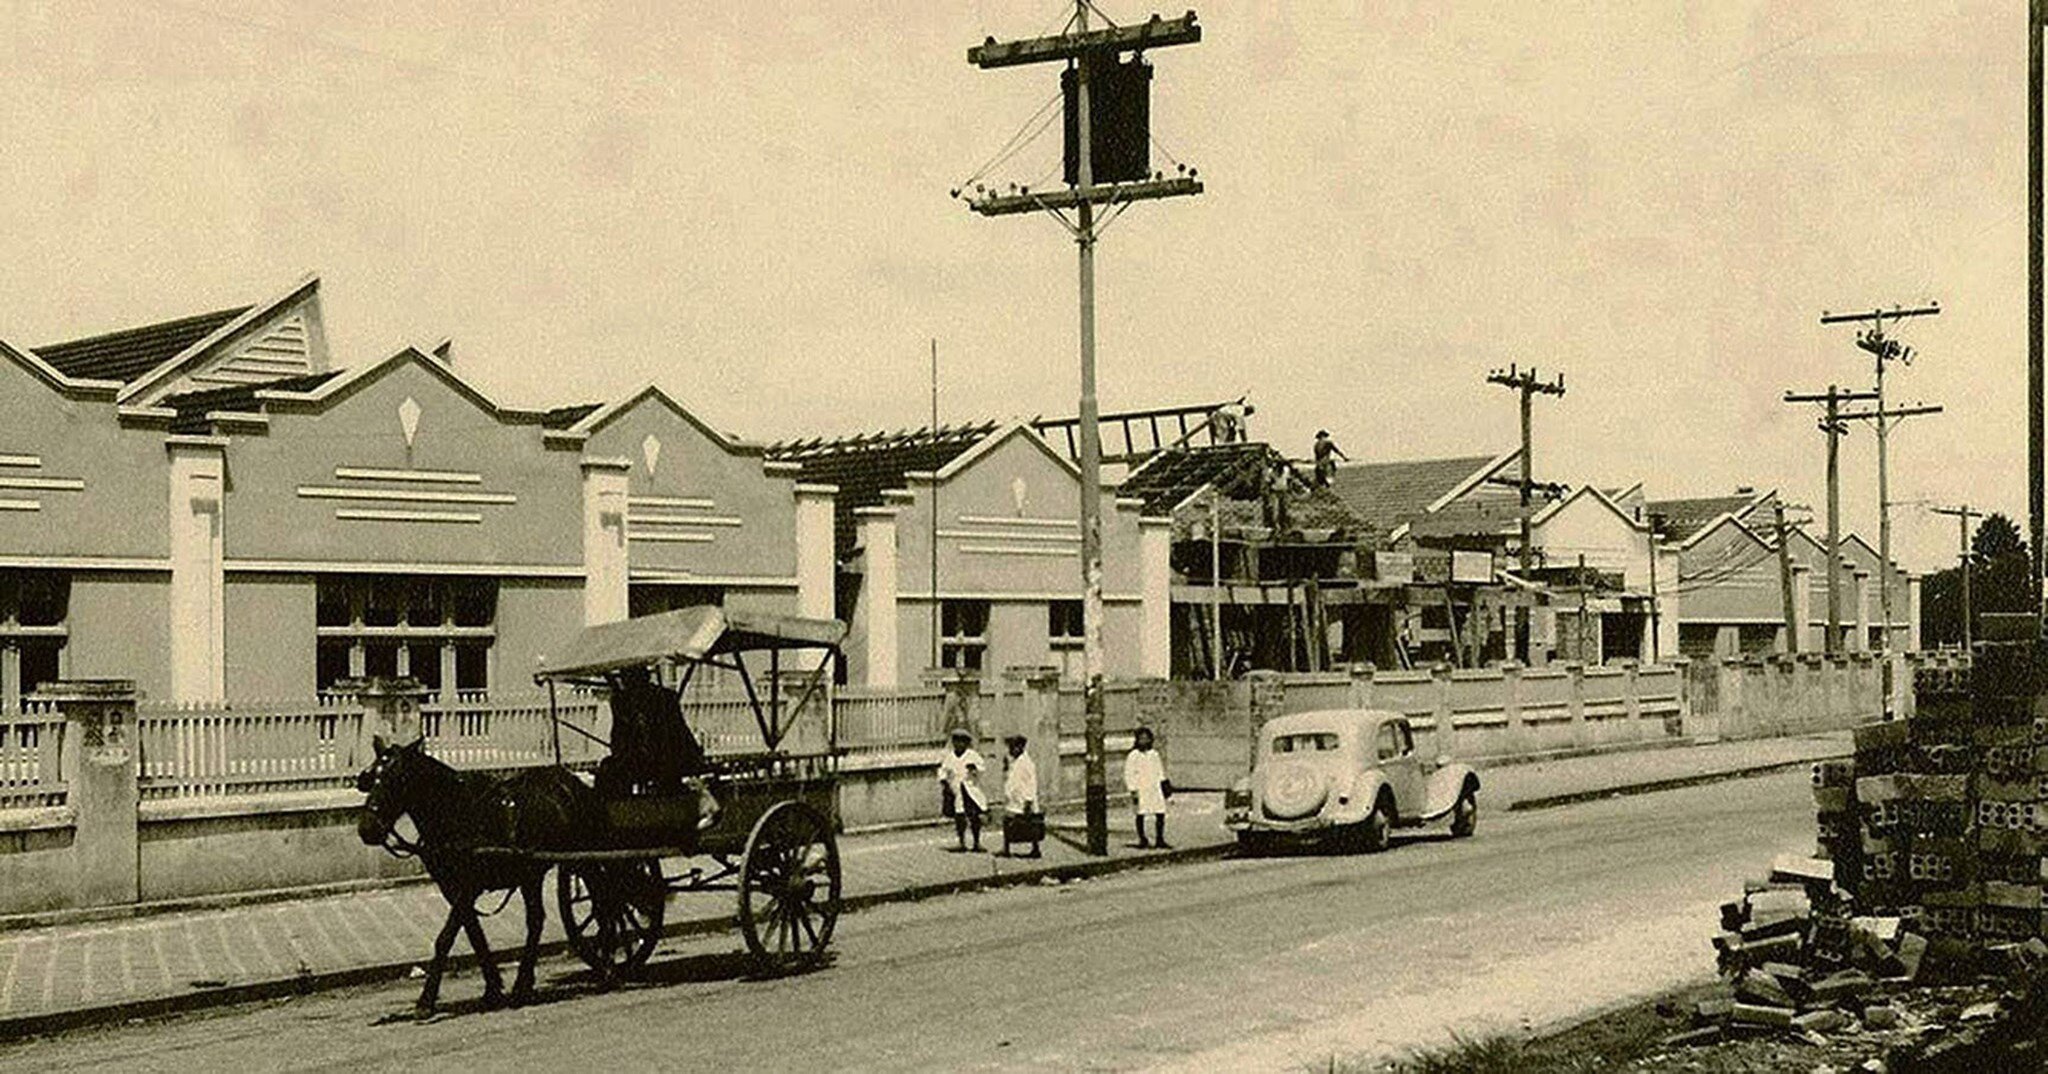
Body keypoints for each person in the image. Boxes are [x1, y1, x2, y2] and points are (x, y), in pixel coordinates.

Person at [936, 729, 988, 852]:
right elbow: (943, 770)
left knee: (974, 817)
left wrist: (975, 768)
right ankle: (962, 841)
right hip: (957, 790)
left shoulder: (972, 755)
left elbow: (982, 768)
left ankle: (976, 842)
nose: (959, 745)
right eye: (956, 742)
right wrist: (944, 781)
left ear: (966, 743)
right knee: (960, 817)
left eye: (962, 742)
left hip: (970, 790)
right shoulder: (949, 757)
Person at [1123, 726, 1172, 849]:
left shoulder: (1154, 754)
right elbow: (1128, 773)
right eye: (1141, 739)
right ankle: (1142, 839)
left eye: (1146, 739)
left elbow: (1160, 771)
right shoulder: (1133, 755)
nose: (1144, 741)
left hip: (1154, 787)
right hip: (1141, 788)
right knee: (1141, 813)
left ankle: (1159, 839)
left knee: (1160, 813)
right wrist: (1133, 789)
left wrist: (1165, 787)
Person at [1000, 734, 1042, 859]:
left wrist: (1028, 801)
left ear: (1020, 747)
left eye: (1013, 747)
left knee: (1029, 824)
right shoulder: (1015, 762)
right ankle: (1007, 848)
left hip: (1023, 800)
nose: (1010, 750)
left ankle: (1035, 848)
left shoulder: (1026, 763)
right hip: (1014, 800)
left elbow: (1031, 783)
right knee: (1009, 823)